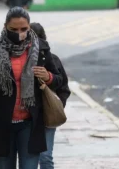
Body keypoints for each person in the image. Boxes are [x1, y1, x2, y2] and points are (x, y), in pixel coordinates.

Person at [0, 7, 63, 169]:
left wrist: (48, 77)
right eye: (14, 29)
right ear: (5, 26)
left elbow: (59, 80)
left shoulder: (41, 48)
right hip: (1, 123)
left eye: (24, 29)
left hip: (30, 123)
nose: (19, 33)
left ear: (29, 27)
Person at [30, 23, 71, 169]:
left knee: (45, 156)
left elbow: (64, 88)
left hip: (46, 115)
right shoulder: (19, 60)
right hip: (26, 115)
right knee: (30, 158)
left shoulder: (52, 60)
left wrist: (56, 106)